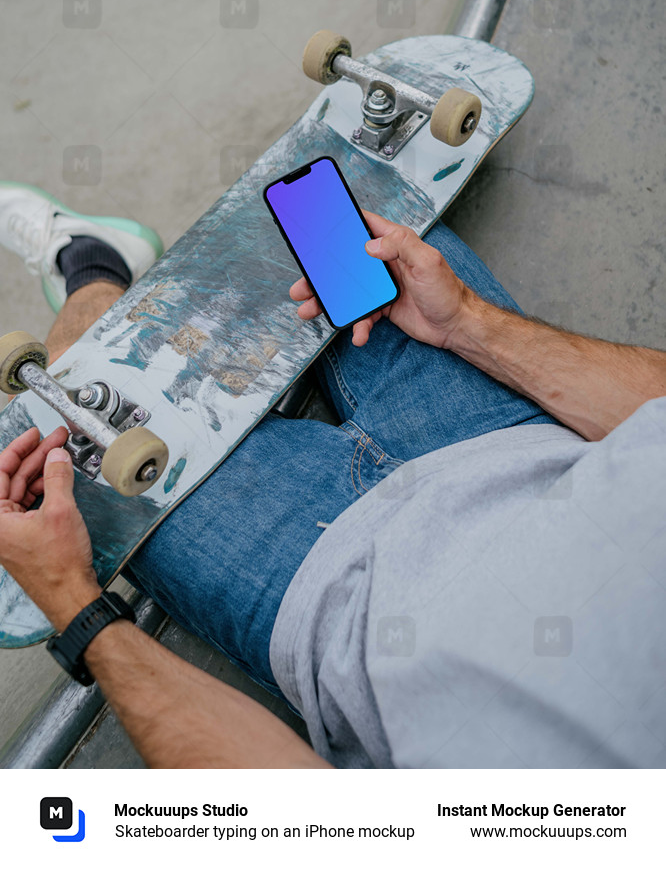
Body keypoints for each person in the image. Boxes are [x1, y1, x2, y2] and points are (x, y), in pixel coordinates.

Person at [0, 183, 664, 769]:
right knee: (327, 227)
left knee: (82, 388)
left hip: (325, 590)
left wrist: (74, 604)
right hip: (505, 432)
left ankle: (89, 261)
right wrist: (465, 320)